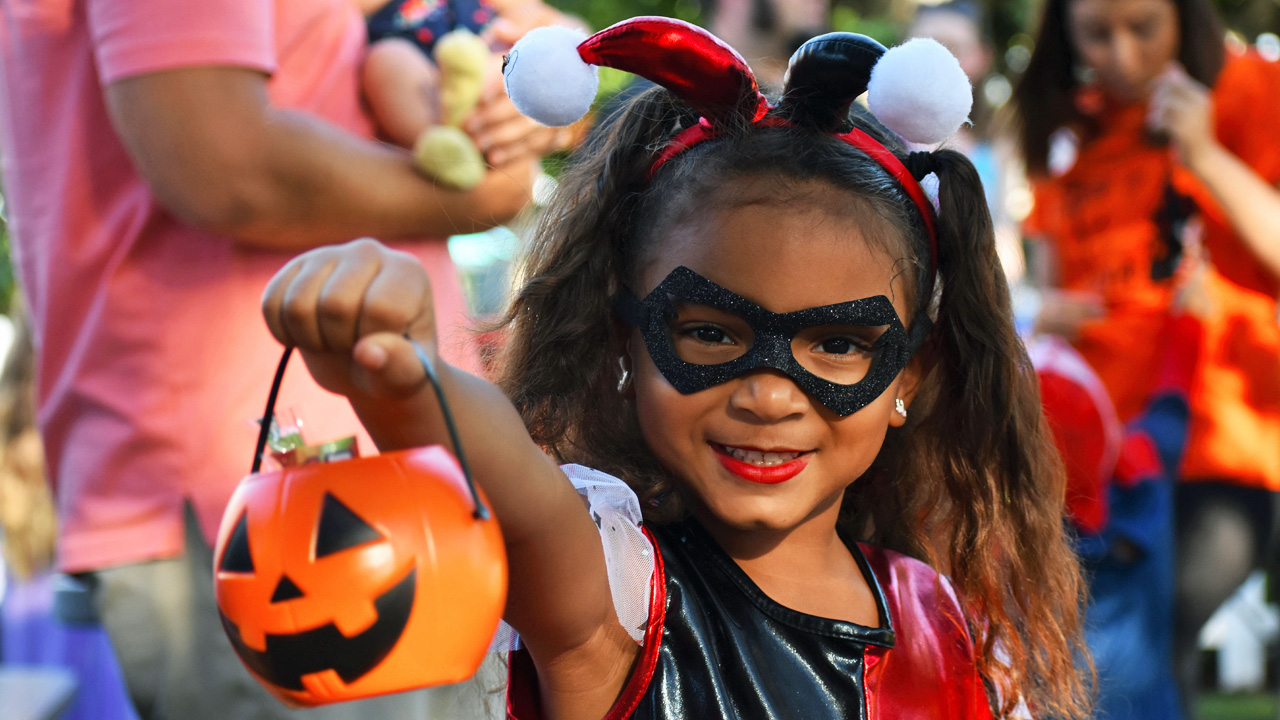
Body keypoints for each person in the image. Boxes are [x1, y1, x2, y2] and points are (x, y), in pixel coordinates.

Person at [260, 19, 1090, 719]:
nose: (769, 394)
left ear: (910, 374)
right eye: (710, 334)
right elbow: (510, 487)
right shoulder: (614, 603)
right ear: (627, 339)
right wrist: (405, 374)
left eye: (837, 344)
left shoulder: (942, 622)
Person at [0, 0, 558, 712]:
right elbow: (215, 156)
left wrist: (523, 91)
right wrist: (485, 194)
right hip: (261, 509)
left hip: (403, 477)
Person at [1009, 0, 1280, 705]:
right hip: (1097, 455)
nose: (1122, 56)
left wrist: (1208, 155)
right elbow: (1049, 285)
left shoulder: (1253, 89)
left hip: (1214, 440)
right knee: (1106, 667)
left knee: (1138, 654)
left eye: (1144, 28)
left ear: (1184, 19)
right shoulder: (1070, 130)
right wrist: (1046, 311)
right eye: (1097, 35)